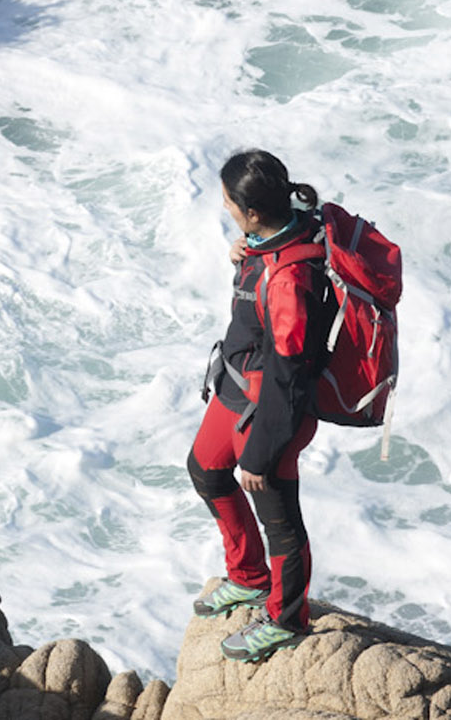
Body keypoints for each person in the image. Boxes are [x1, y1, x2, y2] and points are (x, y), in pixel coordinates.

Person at [188, 148, 336, 663]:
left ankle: (286, 617)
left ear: (252, 210)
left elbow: (289, 377)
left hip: (273, 412)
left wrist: (262, 453)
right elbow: (269, 249)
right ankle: (249, 577)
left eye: (229, 200)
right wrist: (247, 250)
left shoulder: (293, 281)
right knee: (205, 469)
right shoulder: (275, 234)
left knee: (278, 515)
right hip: (238, 385)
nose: (224, 205)